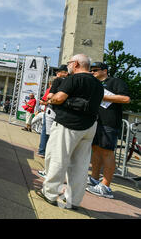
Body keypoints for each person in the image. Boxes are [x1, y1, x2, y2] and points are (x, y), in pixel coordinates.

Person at [36, 54, 104, 210]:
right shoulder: (99, 84)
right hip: (89, 126)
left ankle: (50, 193)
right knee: (80, 165)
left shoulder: (74, 79)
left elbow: (58, 98)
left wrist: (50, 100)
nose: (68, 66)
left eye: (69, 63)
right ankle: (73, 200)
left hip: (69, 124)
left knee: (57, 158)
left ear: (76, 64)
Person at [86, 62, 130, 199]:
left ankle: (106, 186)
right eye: (91, 70)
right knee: (96, 149)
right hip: (96, 121)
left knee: (107, 152)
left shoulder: (115, 82)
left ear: (104, 71)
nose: (92, 72)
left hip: (110, 123)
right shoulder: (94, 84)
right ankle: (94, 178)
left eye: (95, 70)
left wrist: (103, 97)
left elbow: (126, 98)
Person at [37, 65, 69, 158]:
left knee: (47, 132)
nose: (57, 73)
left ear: (65, 73)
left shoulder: (58, 80)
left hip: (52, 109)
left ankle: (43, 151)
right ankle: (45, 151)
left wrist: (49, 101)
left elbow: (49, 96)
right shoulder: (68, 82)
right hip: (59, 110)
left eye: (59, 71)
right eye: (57, 72)